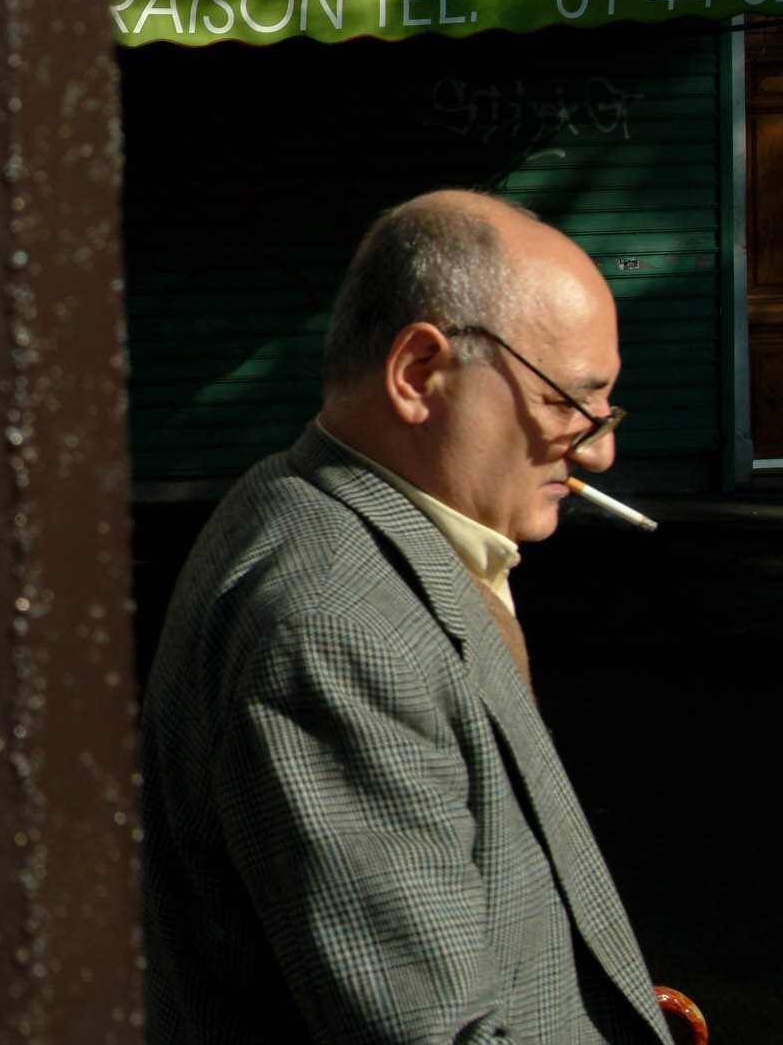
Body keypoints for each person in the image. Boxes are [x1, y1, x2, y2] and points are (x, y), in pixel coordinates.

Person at [139, 189, 672, 1044]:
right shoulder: (334, 628)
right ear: (419, 374)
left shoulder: (314, 501)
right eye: (573, 400)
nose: (599, 445)